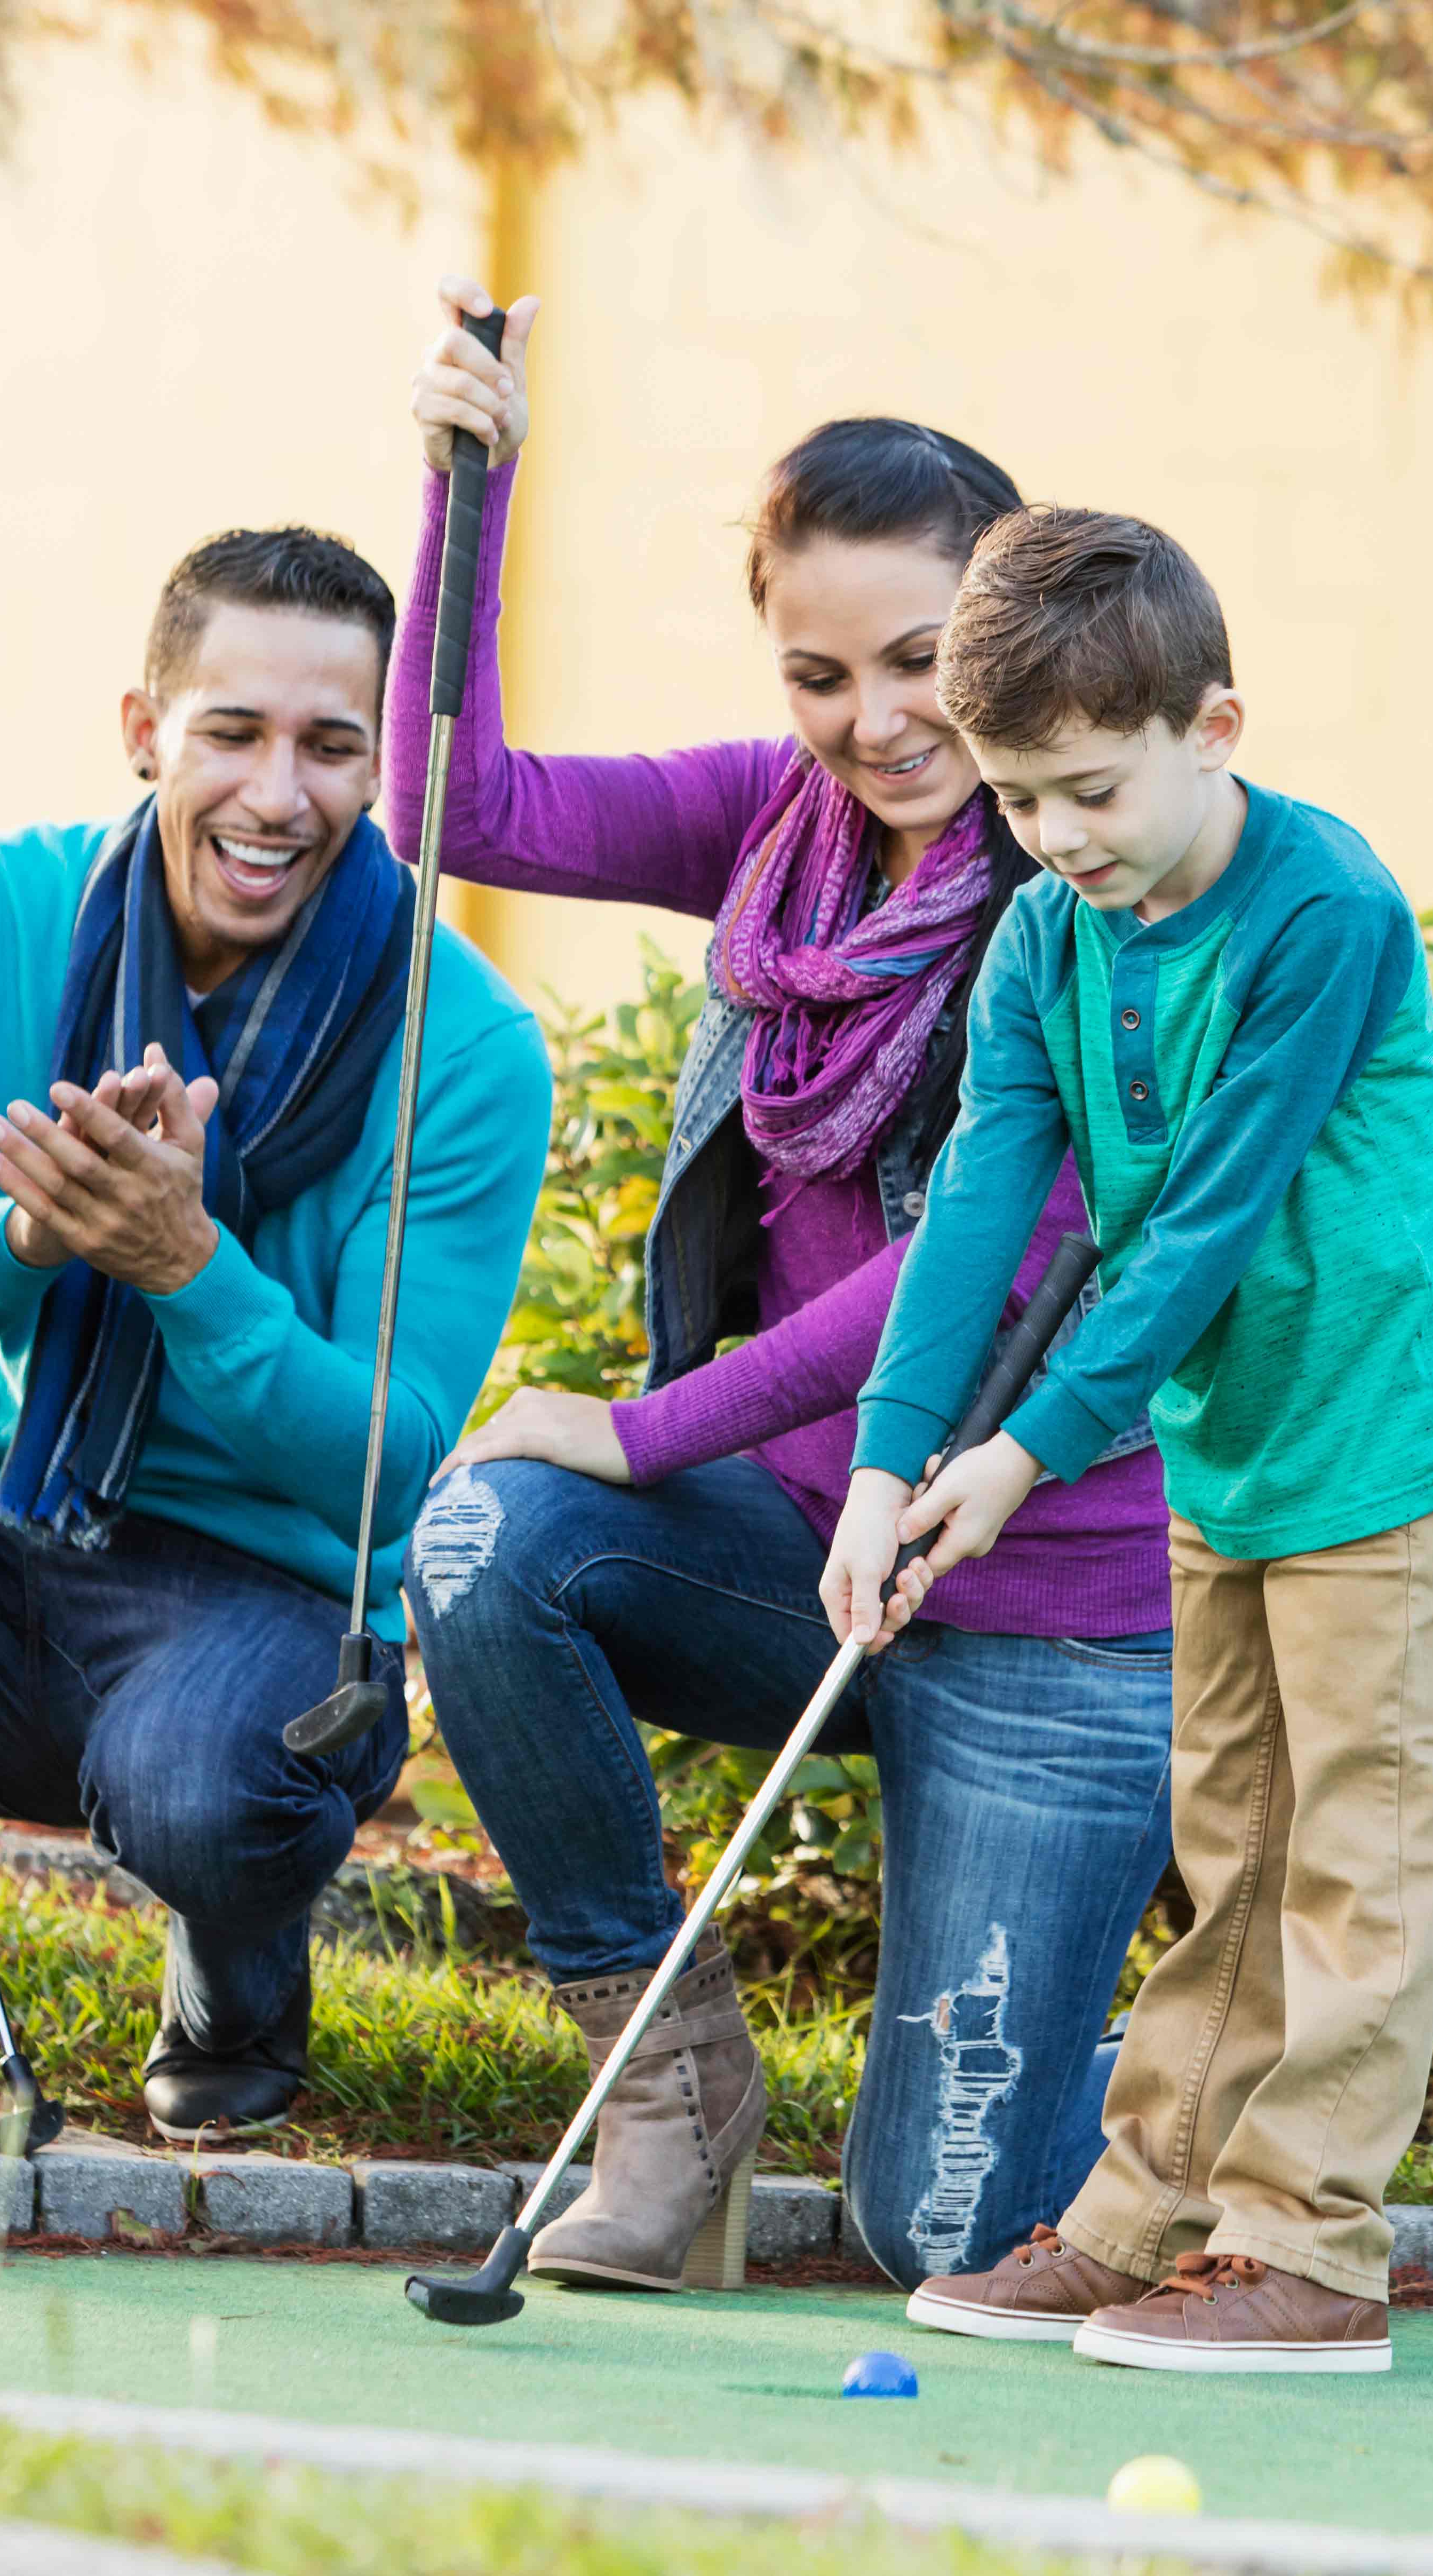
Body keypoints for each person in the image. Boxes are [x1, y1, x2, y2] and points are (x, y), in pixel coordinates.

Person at [392, 286, 1177, 2292]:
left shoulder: (1095, 878)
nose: (879, 717)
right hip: (809, 1554)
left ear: (1010, 636)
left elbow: (973, 1258)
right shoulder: (779, 827)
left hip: (1042, 1613)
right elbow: (454, 810)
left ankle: (1217, 2111)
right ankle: (668, 2094)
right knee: (495, 1533)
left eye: (924, 660)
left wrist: (657, 1423)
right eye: (821, 670)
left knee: (947, 2225)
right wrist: (464, 506)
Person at [842, 508, 1433, 2373]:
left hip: (1370, 1443)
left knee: (1356, 1852)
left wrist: (1033, 1450)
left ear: (1215, 725)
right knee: (1234, 1839)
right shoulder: (1048, 937)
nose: (1055, 840)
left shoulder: (1325, 910)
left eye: (1088, 791)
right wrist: (894, 1463)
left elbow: (1207, 1213)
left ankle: (1315, 2250)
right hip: (1227, 1460)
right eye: (1019, 803)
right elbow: (983, 1197)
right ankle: (1153, 2217)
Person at [0, 523, 553, 2142]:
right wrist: (27, 1236)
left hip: (266, 1599)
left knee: (202, 1784)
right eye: (232, 732)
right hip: (0, 1543)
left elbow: (390, 1461)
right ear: (145, 729)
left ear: (382, 766)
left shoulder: (467, 1045)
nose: (278, 794)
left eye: (332, 745)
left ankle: (236, 1963)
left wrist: (188, 1267)